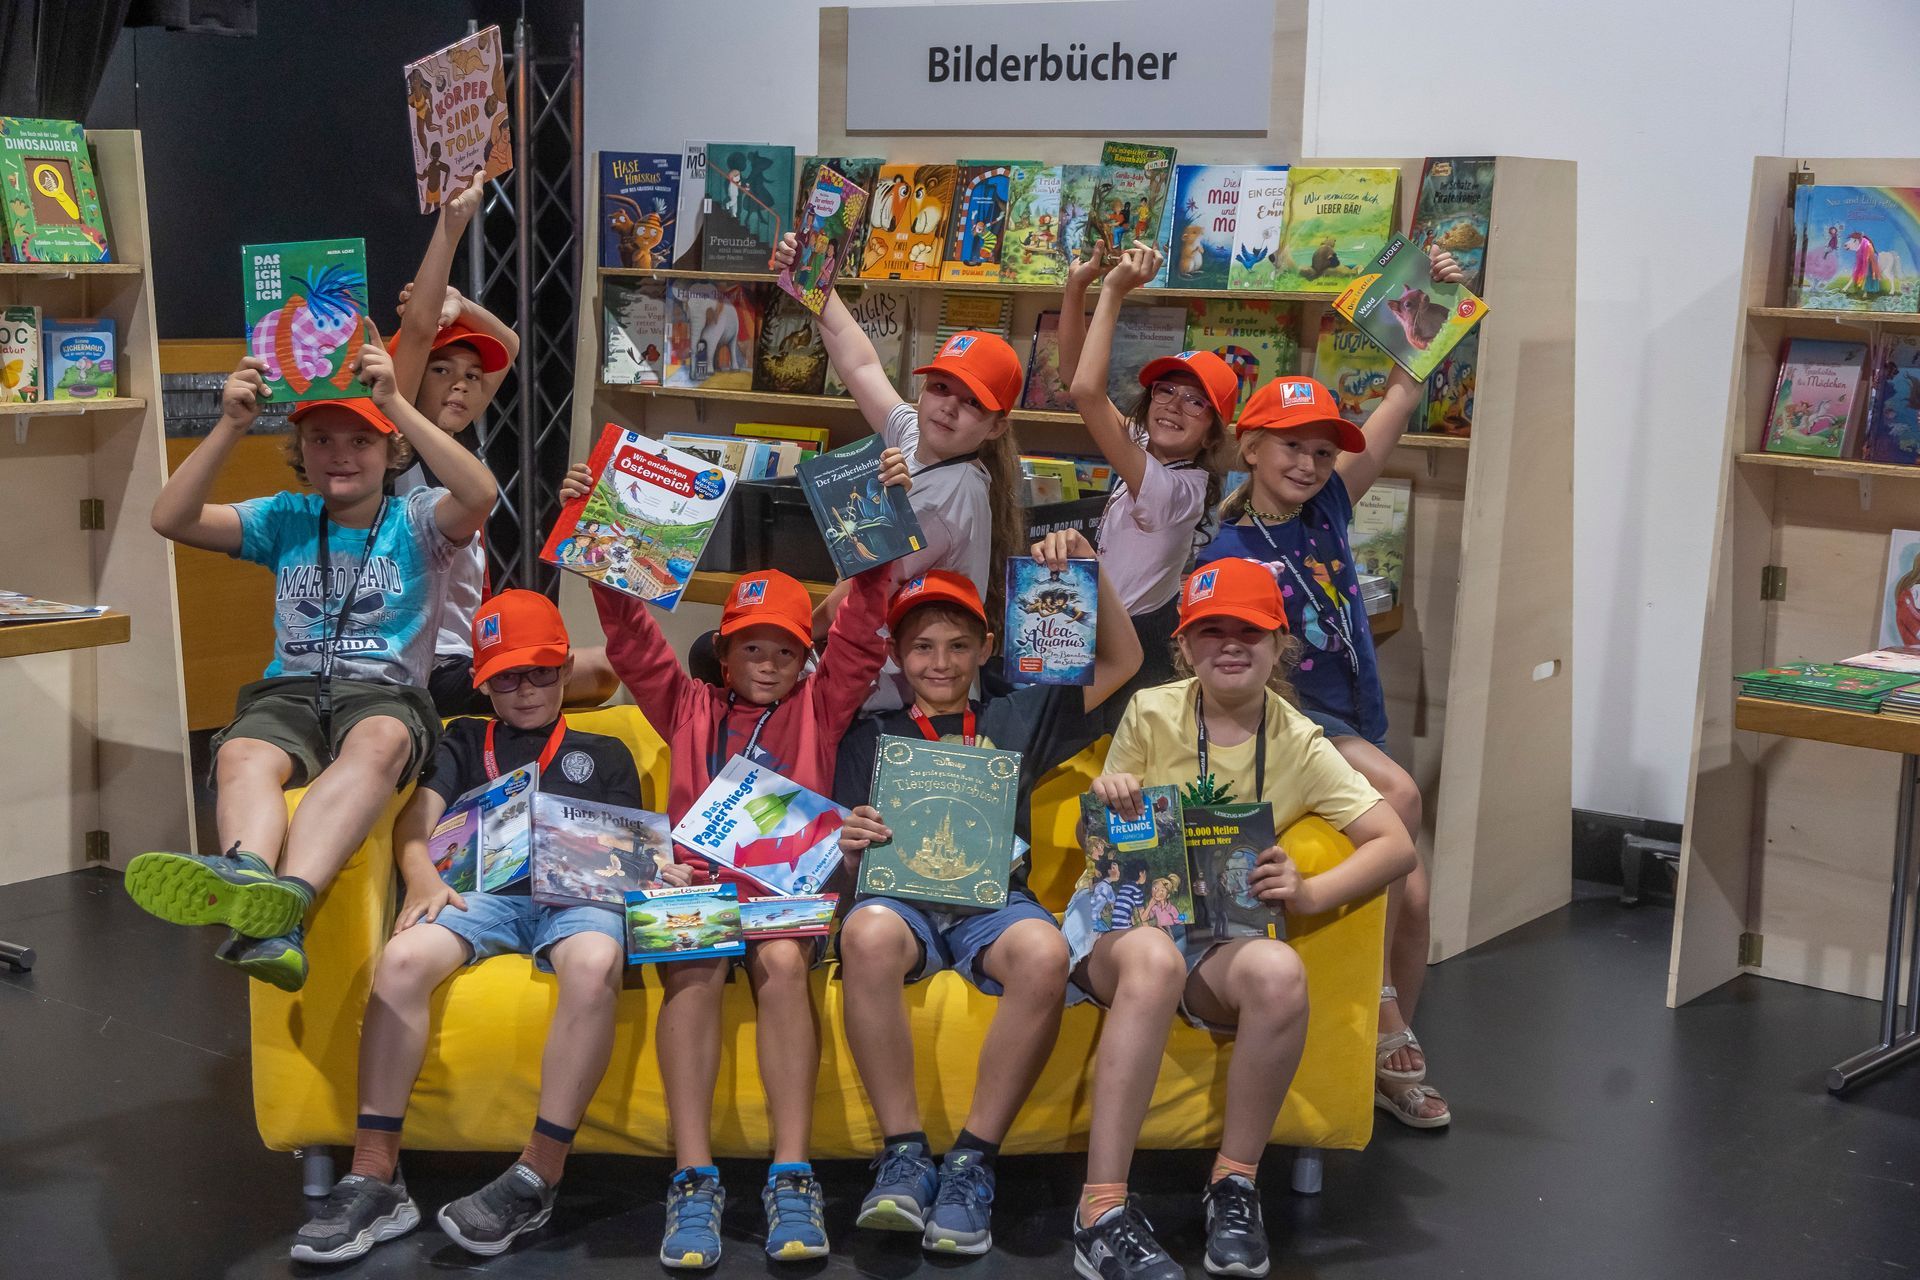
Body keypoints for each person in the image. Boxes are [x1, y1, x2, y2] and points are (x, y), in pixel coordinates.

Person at [564, 454, 908, 1267]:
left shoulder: (823, 709)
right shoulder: (684, 703)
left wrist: (883, 531)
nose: (766, 661)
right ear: (722, 655)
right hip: (697, 894)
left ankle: (793, 1173)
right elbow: (631, 637)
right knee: (691, 967)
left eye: (784, 650)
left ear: (804, 661)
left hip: (788, 898)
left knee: (785, 963)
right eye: (749, 646)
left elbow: (863, 624)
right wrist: (597, 533)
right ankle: (694, 1178)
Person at [289, 590, 688, 1265]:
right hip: (485, 893)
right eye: (506, 676)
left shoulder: (606, 751)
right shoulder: (466, 737)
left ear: (565, 670)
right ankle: (374, 1171)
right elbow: (417, 822)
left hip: (577, 897)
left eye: (539, 672)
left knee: (593, 960)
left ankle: (539, 1171)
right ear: (484, 682)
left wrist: (656, 870)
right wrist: (418, 871)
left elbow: (628, 847)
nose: (525, 689)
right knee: (405, 959)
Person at [1063, 557, 1416, 1279]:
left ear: (1279, 643)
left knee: (1281, 972)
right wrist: (1109, 797)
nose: (1230, 645)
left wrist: (1310, 891)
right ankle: (1099, 1209)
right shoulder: (1152, 712)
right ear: (1185, 646)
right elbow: (1092, 843)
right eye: (1210, 631)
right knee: (1156, 958)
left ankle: (1235, 1182)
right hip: (1126, 921)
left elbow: (1396, 843)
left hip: (1219, 935)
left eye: (1248, 632)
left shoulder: (1298, 740)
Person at [129, 343, 496, 991]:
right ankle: (248, 875)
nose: (341, 454)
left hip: (383, 694)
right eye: (321, 439)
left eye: (361, 441)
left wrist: (397, 406)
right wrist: (230, 426)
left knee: (378, 742)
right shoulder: (285, 518)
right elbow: (170, 517)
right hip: (291, 691)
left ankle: (287, 904)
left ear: (391, 453)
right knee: (243, 754)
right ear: (301, 451)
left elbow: (480, 492)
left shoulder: (418, 521)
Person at [1199, 246, 1464, 1129]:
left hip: (1357, 718)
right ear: (1250, 446)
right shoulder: (1231, 550)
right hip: (1301, 725)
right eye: (1291, 449)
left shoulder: (1328, 510)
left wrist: (1438, 298)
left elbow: (1398, 398)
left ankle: (1379, 1061)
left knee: (1417, 895)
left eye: (1321, 452)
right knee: (1401, 792)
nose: (1310, 465)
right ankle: (1384, 1020)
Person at [831, 533, 1141, 1259]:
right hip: (900, 901)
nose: (940, 663)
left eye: (959, 646)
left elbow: (1123, 661)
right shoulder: (868, 735)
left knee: (1042, 950)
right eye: (922, 647)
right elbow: (842, 860)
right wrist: (849, 842)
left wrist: (1090, 570)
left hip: (993, 902)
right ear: (895, 657)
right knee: (867, 934)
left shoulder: (1018, 711)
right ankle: (904, 1154)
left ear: (986, 647)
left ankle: (973, 1160)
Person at [386, 171, 619, 716]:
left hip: (473, 653)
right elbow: (418, 331)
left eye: (472, 376)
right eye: (441, 370)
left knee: (607, 670)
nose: (462, 385)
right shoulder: (394, 446)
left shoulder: (457, 453)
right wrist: (452, 226)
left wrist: (461, 304)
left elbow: (508, 347)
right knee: (586, 674)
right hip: (422, 670)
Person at [770, 231, 1027, 703]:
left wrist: (790, 634)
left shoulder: (949, 496)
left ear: (995, 427)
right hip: (882, 666)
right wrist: (810, 276)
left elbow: (859, 590)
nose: (948, 408)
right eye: (942, 388)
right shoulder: (917, 436)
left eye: (973, 403)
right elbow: (860, 362)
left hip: (903, 694)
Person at [1058, 240, 1237, 683]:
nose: (1175, 406)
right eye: (1166, 390)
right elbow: (1072, 375)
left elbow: (1085, 392)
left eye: (1197, 402)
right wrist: (1075, 289)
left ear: (1214, 431)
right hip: (1097, 634)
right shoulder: (1148, 449)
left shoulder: (1175, 490)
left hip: (1130, 649)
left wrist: (1114, 293)